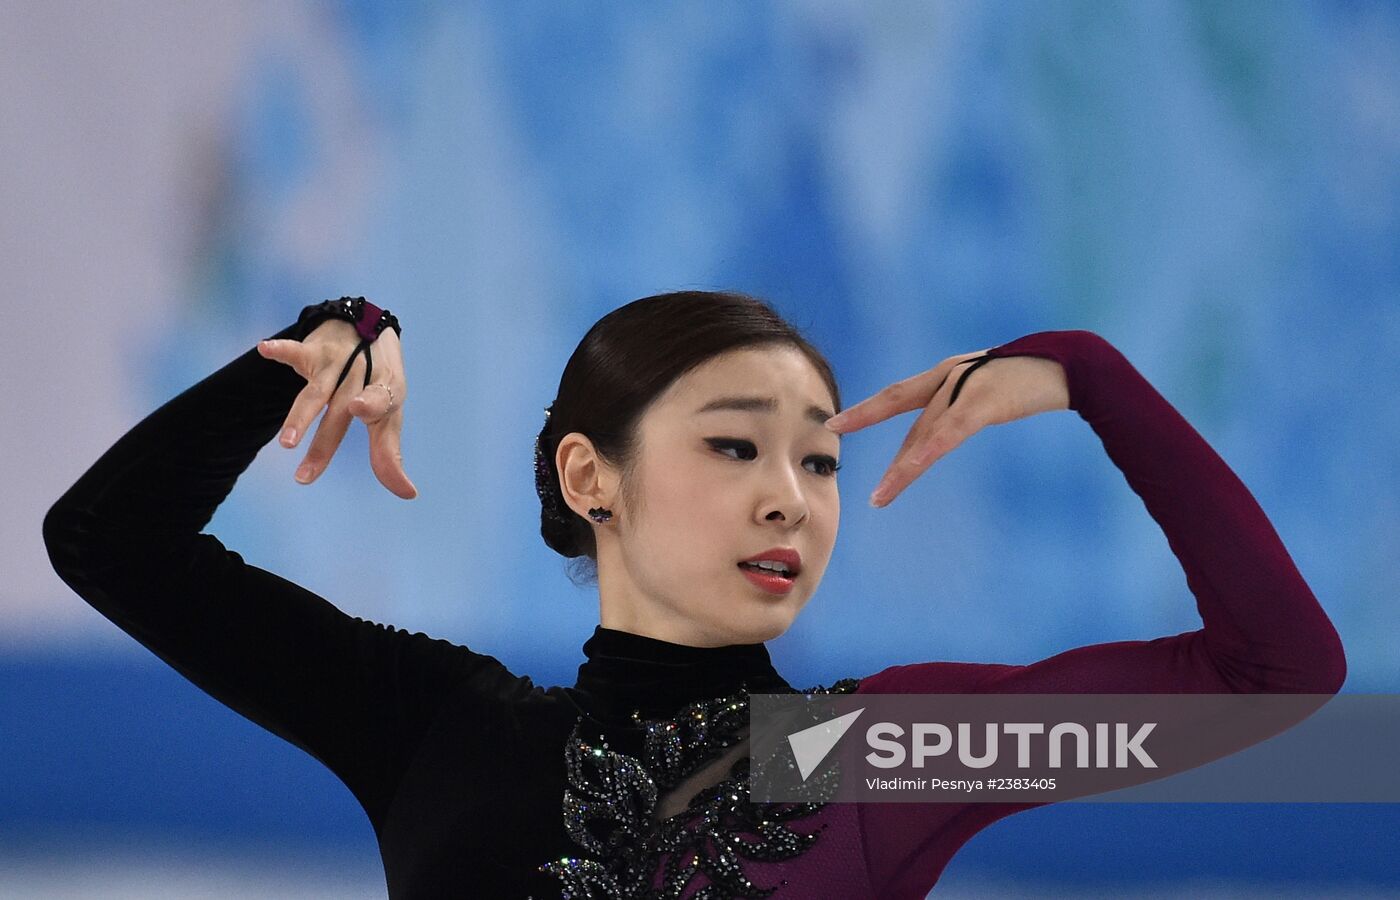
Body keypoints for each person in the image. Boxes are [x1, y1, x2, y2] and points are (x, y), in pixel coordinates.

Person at [43, 290, 1346, 898]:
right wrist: (316, 345)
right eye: (736, 444)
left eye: (821, 459)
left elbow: (1275, 679)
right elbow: (109, 542)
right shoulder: (436, 722)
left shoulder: (877, 754)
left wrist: (1088, 372)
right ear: (589, 476)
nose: (790, 495)